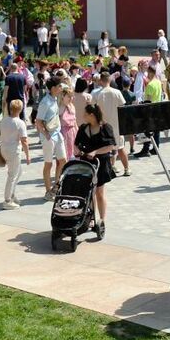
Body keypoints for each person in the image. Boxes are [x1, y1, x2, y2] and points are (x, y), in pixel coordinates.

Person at [75, 103, 118, 240]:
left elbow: (110, 146)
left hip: (100, 163)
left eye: (85, 114)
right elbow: (76, 143)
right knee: (89, 192)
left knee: (99, 192)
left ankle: (102, 218)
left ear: (92, 115)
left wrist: (95, 152)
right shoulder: (83, 128)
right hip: (86, 163)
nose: (83, 116)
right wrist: (78, 150)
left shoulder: (105, 127)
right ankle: (91, 217)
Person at [35, 77, 68, 196]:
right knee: (48, 164)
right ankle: (48, 191)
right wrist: (46, 135)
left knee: (63, 160)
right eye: (59, 86)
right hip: (49, 136)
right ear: (53, 88)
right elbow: (38, 121)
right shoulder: (45, 102)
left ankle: (56, 186)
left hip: (57, 133)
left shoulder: (54, 98)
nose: (61, 88)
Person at [0, 99, 33, 209]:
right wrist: (28, 155)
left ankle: (12, 194)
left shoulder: (4, 120)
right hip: (14, 151)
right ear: (21, 109)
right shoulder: (20, 123)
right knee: (12, 175)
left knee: (18, 172)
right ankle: (7, 200)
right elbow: (24, 141)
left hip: (4, 148)